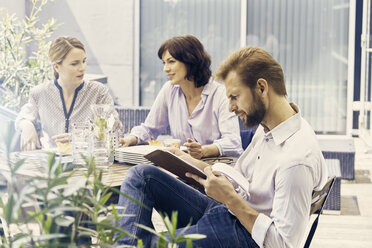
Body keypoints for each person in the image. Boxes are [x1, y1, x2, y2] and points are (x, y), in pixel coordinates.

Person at [115, 46, 328, 247]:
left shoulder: (296, 160)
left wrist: (229, 199)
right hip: (227, 210)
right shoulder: (270, 127)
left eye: (235, 97)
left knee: (147, 244)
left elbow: (282, 243)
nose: (230, 108)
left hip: (246, 235)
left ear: (261, 87)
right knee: (141, 176)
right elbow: (240, 180)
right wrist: (190, 162)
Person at [119, 35, 243, 159]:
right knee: (139, 171)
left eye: (171, 62)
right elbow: (150, 128)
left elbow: (233, 143)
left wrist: (203, 150)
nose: (165, 69)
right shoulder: (169, 90)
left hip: (216, 170)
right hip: (184, 168)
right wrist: (131, 139)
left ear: (190, 61)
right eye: (164, 63)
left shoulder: (220, 95)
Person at [15, 36, 120, 151]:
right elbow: (22, 118)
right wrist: (27, 125)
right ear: (56, 66)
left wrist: (79, 136)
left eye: (84, 61)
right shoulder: (40, 93)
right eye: (74, 64)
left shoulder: (98, 91)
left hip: (87, 161)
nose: (82, 68)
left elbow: (114, 126)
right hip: (51, 163)